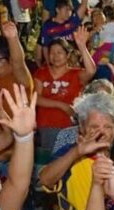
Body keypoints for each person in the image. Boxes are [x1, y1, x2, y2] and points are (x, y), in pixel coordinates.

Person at [35, 27, 97, 161]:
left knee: (67, 161)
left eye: (59, 52)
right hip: (47, 126)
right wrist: (61, 105)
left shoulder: (76, 74)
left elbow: (91, 71)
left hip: (69, 127)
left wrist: (82, 46)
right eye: (52, 53)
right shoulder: (41, 73)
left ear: (67, 55)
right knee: (52, 162)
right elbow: (35, 98)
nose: (55, 56)